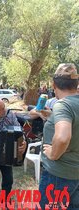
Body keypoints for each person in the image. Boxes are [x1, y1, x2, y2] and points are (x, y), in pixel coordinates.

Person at [40, 63, 79, 209]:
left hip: (59, 175)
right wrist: (52, 116)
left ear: (54, 84)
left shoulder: (63, 105)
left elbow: (63, 137)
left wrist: (53, 153)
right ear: (76, 84)